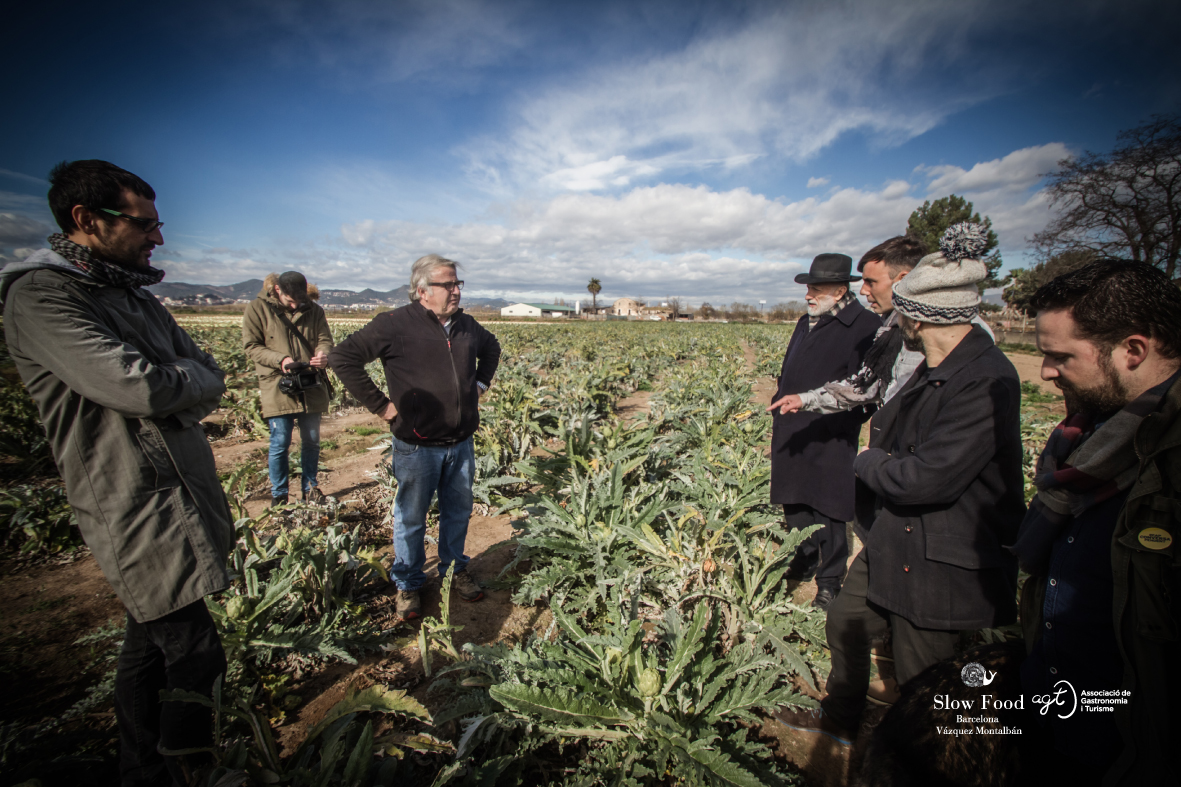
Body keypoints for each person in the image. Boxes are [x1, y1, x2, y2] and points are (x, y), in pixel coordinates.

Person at [0, 160, 232, 786]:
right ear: (87, 222)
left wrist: (179, 383)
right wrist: (182, 384)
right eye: (146, 226)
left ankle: (143, 770)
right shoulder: (43, 296)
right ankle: (184, 770)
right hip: (131, 495)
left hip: (180, 486)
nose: (158, 239)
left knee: (149, 642)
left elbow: (208, 370)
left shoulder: (131, 295)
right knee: (193, 652)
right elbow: (141, 388)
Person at [777, 224, 1025, 744]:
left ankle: (923, 758)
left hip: (943, 547)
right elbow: (867, 389)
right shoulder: (910, 346)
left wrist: (865, 463)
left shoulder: (983, 377)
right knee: (845, 622)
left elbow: (927, 476)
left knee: (926, 675)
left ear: (917, 301)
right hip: (898, 527)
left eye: (874, 285)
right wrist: (810, 401)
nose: (870, 298)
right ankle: (842, 722)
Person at [1011, 260, 1181, 786]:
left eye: (1060, 356)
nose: (1044, 372)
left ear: (1133, 350)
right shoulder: (1090, 433)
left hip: (1133, 745)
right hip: (1059, 707)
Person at [329, 254, 501, 621]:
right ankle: (407, 583)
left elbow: (492, 348)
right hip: (417, 446)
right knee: (411, 517)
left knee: (457, 512)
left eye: (458, 284)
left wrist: (481, 383)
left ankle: (454, 571)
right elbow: (343, 358)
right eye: (448, 285)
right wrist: (381, 406)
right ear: (422, 291)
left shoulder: (467, 326)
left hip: (461, 443)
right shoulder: (393, 325)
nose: (456, 291)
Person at [771, 234, 994, 417]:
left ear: (903, 280)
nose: (863, 290)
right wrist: (805, 399)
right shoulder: (891, 326)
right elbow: (868, 385)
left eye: (871, 282)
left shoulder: (955, 335)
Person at [766, 253, 880, 609]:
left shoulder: (865, 327)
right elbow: (790, 368)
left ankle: (830, 579)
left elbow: (863, 387)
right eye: (808, 288)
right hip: (792, 425)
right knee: (795, 500)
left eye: (815, 288)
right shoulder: (805, 322)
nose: (808, 295)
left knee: (830, 506)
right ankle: (803, 558)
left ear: (839, 289)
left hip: (830, 431)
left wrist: (843, 421)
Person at [242, 270, 334, 506]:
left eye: (299, 300)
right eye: (290, 300)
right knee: (280, 442)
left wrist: (323, 355)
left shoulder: (314, 310)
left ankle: (310, 488)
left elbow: (325, 338)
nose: (295, 305)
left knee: (312, 440)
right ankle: (279, 495)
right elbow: (252, 346)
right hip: (277, 384)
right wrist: (280, 360)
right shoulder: (257, 308)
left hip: (310, 384)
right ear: (277, 291)